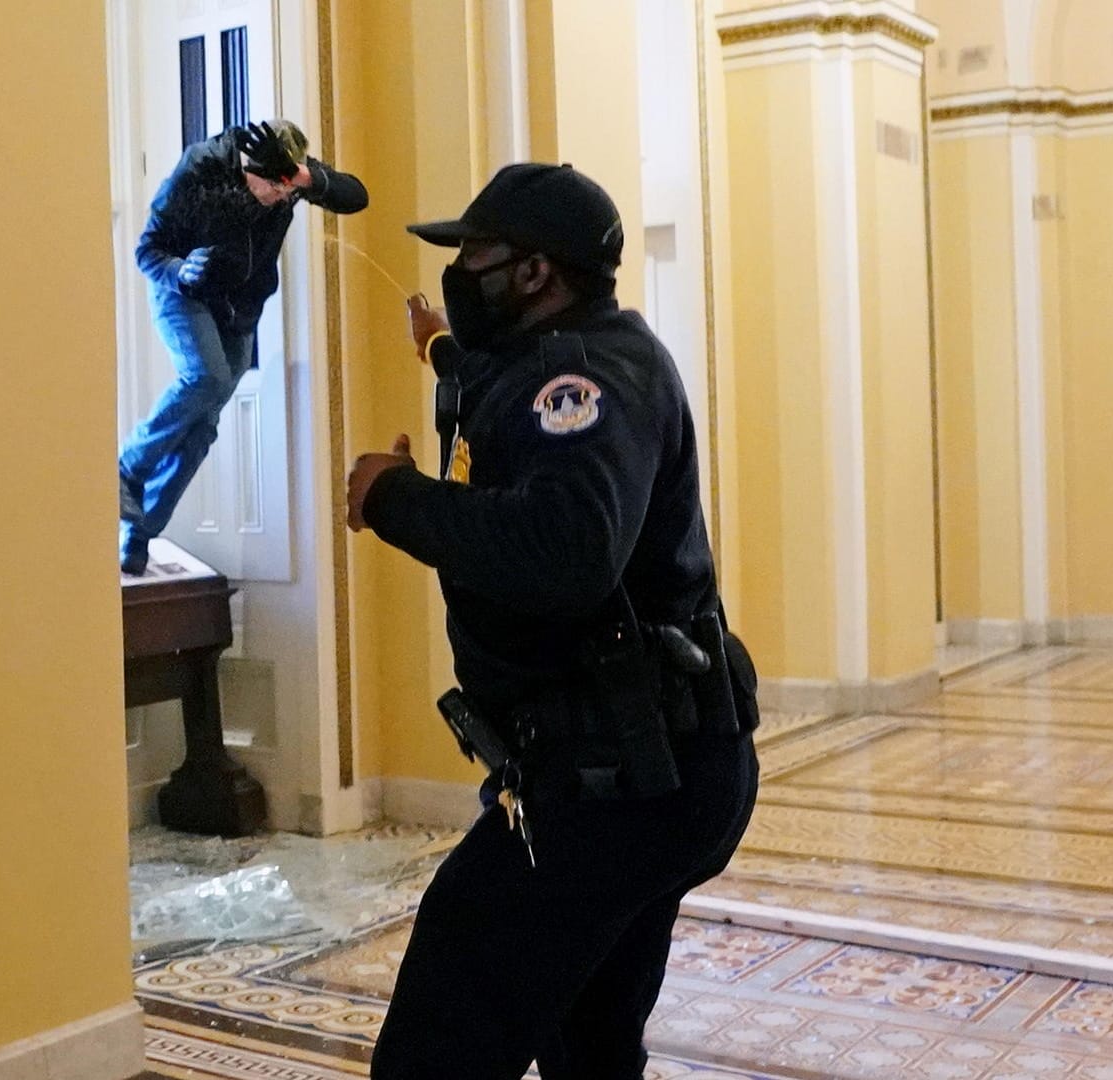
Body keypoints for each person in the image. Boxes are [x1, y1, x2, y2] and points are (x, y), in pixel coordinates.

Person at [343, 163, 761, 1078]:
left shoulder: (581, 376)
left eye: (476, 254)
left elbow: (567, 551)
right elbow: (505, 391)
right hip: (655, 768)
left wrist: (395, 497)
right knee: (591, 1041)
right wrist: (442, 348)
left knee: (437, 1045)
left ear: (534, 274)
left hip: (615, 782)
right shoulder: (586, 348)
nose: (461, 269)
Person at [119, 120, 368, 574]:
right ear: (244, 167)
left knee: (203, 426)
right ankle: (127, 468)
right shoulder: (201, 168)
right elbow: (147, 250)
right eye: (270, 186)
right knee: (206, 377)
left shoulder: (292, 178)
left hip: (239, 309)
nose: (279, 196)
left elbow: (357, 196)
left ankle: (139, 531)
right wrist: (180, 271)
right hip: (185, 291)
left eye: (286, 189)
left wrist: (305, 179)